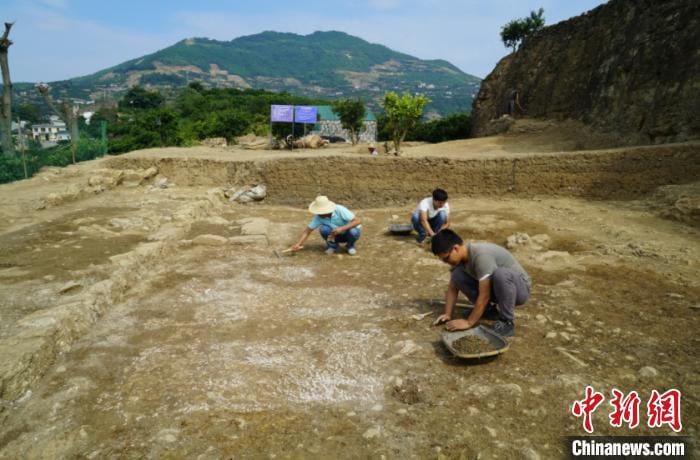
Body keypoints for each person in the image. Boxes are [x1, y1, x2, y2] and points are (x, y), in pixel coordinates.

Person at [431, 229, 531, 337]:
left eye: (446, 259)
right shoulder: (459, 260)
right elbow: (452, 288)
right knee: (457, 275)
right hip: (498, 289)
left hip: (518, 290)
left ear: (455, 248)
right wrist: (447, 314)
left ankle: (506, 321)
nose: (446, 262)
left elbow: (485, 295)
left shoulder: (481, 255)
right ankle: (488, 311)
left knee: (501, 274)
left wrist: (468, 322)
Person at [290, 195, 362, 255]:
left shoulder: (339, 209)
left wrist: (342, 228)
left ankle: (350, 246)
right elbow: (307, 231)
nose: (319, 214)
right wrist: (298, 244)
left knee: (354, 231)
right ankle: (333, 246)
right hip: (335, 236)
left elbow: (358, 221)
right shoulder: (318, 217)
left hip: (348, 234)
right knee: (324, 229)